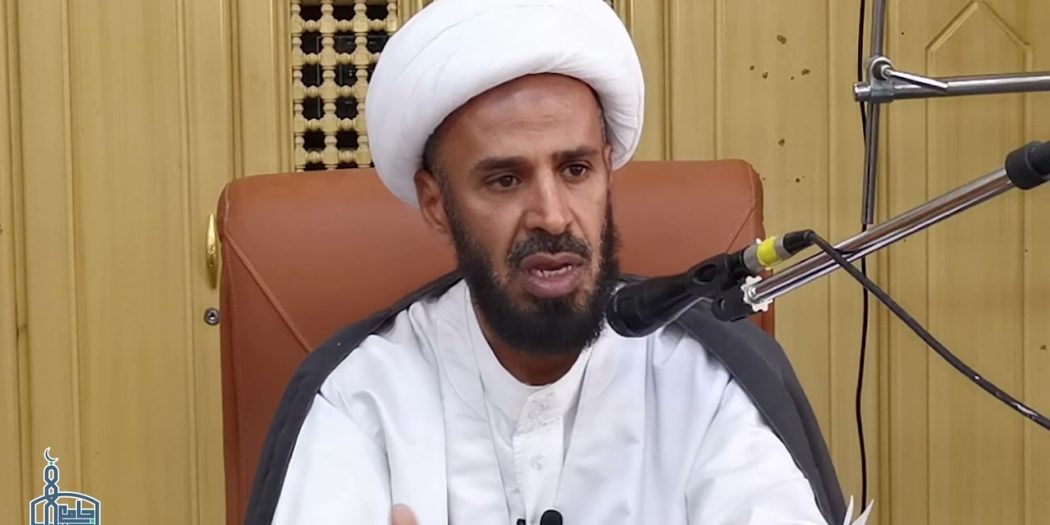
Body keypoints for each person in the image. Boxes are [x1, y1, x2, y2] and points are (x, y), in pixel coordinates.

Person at [249, 0, 850, 523]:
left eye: (576, 169)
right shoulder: (362, 399)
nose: (554, 216)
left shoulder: (706, 381)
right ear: (436, 203)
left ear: (607, 169)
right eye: (505, 180)